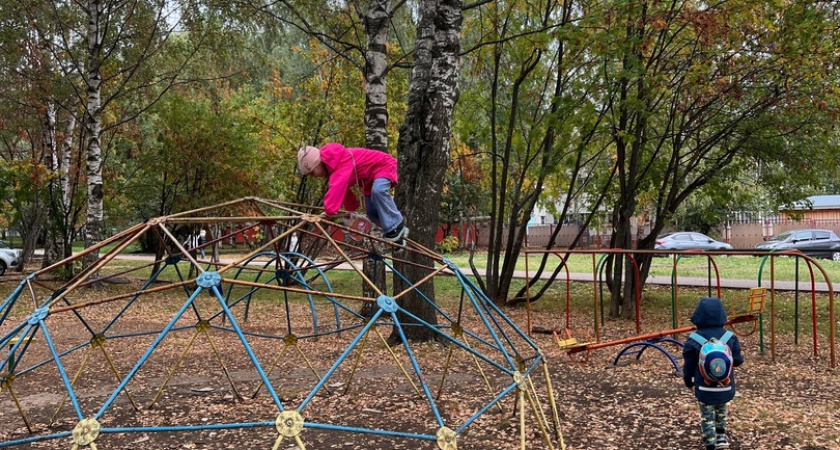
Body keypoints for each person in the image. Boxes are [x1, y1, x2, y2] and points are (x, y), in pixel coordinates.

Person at [297, 143, 408, 244]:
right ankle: (396, 236)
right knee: (371, 211)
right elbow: (343, 190)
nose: (314, 176)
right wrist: (351, 209)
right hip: (369, 180)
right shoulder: (334, 172)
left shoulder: (342, 161)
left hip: (383, 165)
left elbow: (337, 187)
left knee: (378, 191)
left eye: (312, 172)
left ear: (317, 163)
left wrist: (329, 210)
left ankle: (396, 225)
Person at [682, 297, 744, 450]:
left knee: (707, 415)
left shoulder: (693, 340)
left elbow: (689, 366)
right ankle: (721, 437)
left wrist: (688, 381)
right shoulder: (729, 338)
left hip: (704, 386)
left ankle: (710, 442)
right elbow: (738, 361)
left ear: (698, 316)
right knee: (721, 409)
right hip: (725, 386)